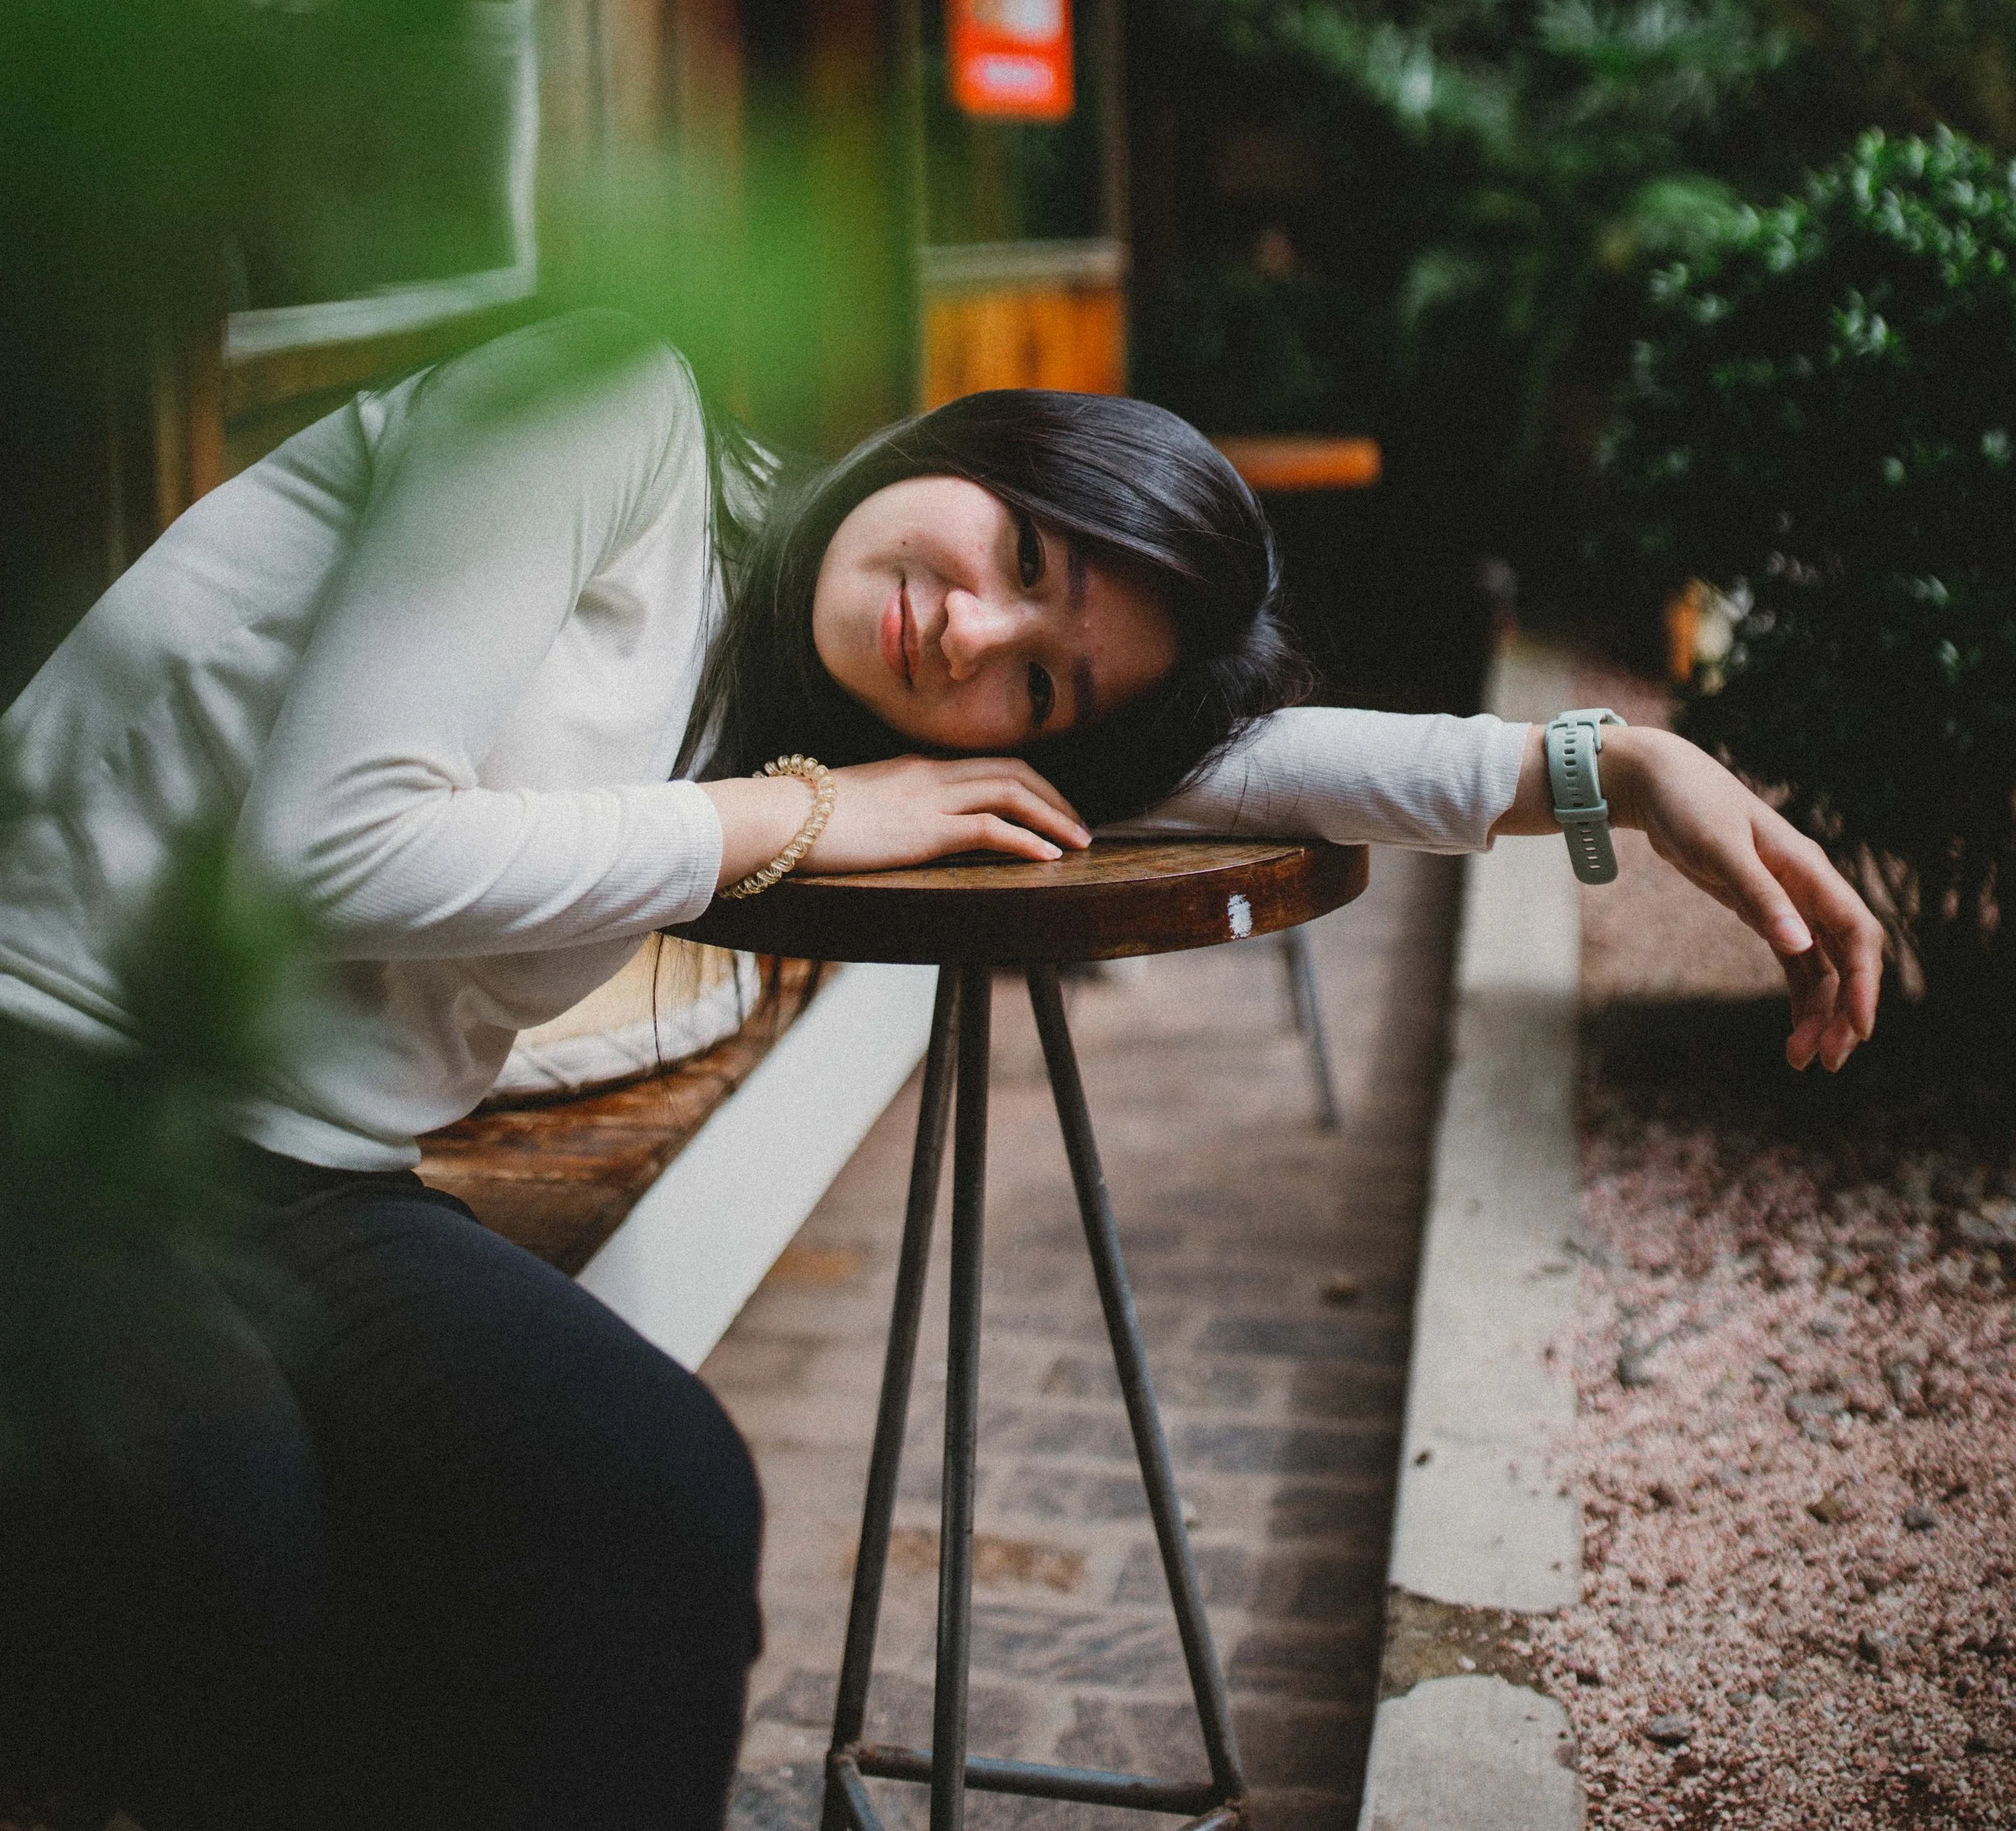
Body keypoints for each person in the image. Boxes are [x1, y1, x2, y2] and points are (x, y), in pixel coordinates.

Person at [0, 310, 1883, 1831]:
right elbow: (329, 848)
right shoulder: (601, 418)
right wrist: (809, 813)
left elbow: (1236, 762)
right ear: (961, 452)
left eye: (1040, 684)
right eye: (1021, 550)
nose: (970, 633)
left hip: (292, 1179)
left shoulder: (802, 687)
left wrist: (1609, 773)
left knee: (648, 1507)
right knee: (222, 1542)